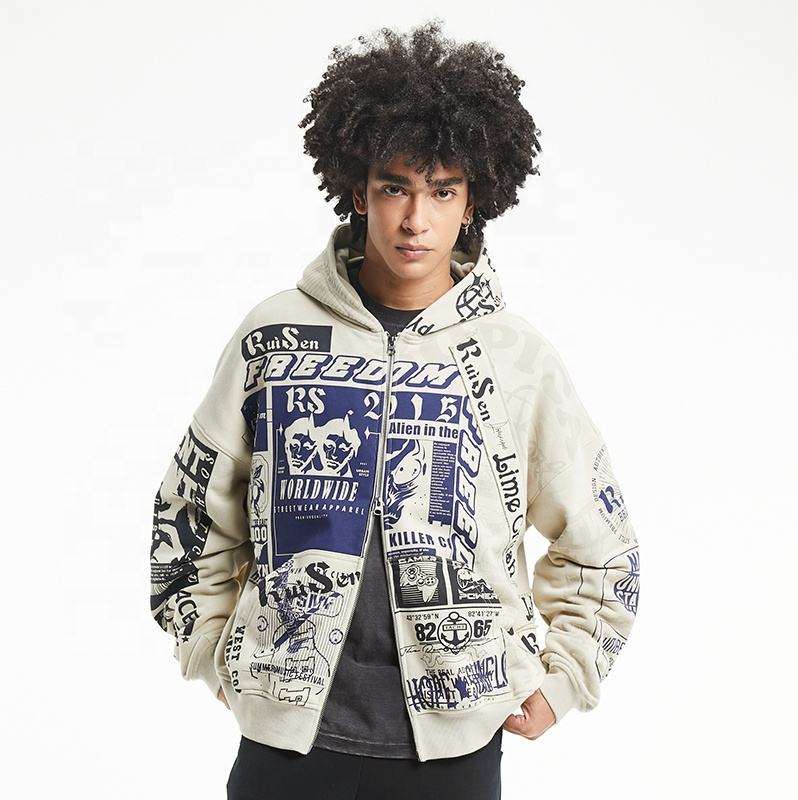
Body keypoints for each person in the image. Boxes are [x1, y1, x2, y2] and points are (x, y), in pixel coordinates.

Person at [149, 20, 640, 800]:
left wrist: (565, 678)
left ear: (473, 201)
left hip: (454, 749)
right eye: (394, 187)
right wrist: (215, 655)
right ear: (359, 191)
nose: (416, 219)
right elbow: (189, 508)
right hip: (286, 744)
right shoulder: (273, 336)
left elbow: (601, 543)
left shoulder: (515, 359)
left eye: (442, 190)